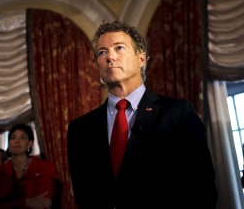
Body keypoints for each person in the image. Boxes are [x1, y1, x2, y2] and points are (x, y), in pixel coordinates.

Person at [67, 20, 218, 209]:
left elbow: (202, 188)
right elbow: (84, 197)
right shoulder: (80, 129)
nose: (109, 57)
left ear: (141, 59)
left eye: (119, 48)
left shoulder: (177, 113)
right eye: (102, 52)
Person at [0, 123, 57, 209]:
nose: (17, 141)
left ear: (30, 144)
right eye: (13, 138)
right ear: (9, 143)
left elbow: (43, 203)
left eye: (22, 137)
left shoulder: (45, 168)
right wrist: (26, 202)